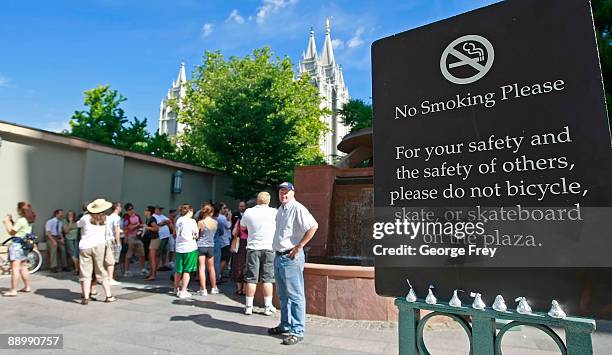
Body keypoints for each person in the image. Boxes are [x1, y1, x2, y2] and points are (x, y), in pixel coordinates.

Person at [268, 182, 318, 346]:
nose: (284, 194)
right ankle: (285, 325)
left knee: (295, 296)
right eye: (281, 191)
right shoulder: (280, 210)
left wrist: (299, 246)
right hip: (279, 256)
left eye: (287, 192)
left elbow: (313, 226)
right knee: (283, 295)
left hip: (290, 257)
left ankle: (297, 331)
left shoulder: (297, 208)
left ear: (293, 193)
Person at [241, 192, 277, 315]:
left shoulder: (249, 212)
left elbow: (242, 226)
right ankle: (267, 307)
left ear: (257, 200)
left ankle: (249, 307)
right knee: (268, 279)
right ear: (269, 201)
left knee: (251, 279)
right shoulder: (274, 212)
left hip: (253, 248)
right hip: (269, 248)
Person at [78, 198, 116, 305]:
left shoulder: (85, 218)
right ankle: (109, 296)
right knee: (100, 270)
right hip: (99, 245)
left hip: (85, 246)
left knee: (85, 272)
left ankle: (85, 297)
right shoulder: (106, 218)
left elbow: (78, 225)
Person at [2, 202, 35, 297]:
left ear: (20, 210)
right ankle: (27, 286)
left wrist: (6, 222)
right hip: (24, 246)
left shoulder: (21, 220)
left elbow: (11, 232)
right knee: (23, 267)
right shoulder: (29, 220)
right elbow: (20, 230)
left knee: (15, 269)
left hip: (16, 246)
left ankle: (13, 290)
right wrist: (12, 221)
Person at [174, 204, 198, 299]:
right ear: (190, 211)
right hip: (189, 247)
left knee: (178, 270)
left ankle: (176, 288)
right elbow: (196, 234)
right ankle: (183, 290)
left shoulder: (179, 220)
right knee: (187, 270)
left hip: (179, 247)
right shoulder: (192, 221)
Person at [195, 203, 219, 296]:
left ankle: (203, 289)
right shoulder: (215, 222)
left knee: (201, 268)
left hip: (201, 246)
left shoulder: (201, 222)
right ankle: (214, 287)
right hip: (211, 246)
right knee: (211, 268)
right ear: (211, 212)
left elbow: (197, 235)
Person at [122, 203, 146, 277]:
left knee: (142, 253)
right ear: (127, 211)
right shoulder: (126, 217)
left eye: (132, 209)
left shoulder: (137, 216)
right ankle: (126, 271)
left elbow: (142, 224)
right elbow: (129, 227)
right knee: (129, 254)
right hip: (130, 237)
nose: (131, 211)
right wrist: (137, 225)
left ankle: (143, 269)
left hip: (137, 237)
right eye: (129, 210)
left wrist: (138, 226)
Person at [230, 207, 248, 295]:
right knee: (246, 265)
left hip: (240, 243)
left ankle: (239, 289)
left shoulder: (240, 221)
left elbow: (233, 233)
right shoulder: (251, 221)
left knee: (238, 265)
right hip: (249, 243)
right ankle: (245, 289)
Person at [105, 202, 122, 285]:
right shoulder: (117, 217)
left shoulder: (109, 217)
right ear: (117, 208)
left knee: (108, 259)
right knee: (114, 260)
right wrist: (118, 242)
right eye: (120, 207)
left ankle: (108, 277)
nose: (121, 208)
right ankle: (111, 277)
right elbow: (116, 230)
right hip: (112, 240)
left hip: (107, 239)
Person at [215, 202, 232, 282]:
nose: (226, 210)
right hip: (224, 241)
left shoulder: (219, 217)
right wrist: (229, 218)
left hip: (222, 240)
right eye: (224, 208)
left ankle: (218, 275)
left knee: (222, 259)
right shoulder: (222, 218)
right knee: (224, 259)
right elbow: (228, 226)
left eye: (226, 208)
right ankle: (219, 275)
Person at [153, 206, 173, 272]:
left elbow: (169, 221)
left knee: (164, 251)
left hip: (166, 236)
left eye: (161, 209)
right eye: (159, 209)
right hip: (160, 236)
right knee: (158, 251)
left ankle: (163, 265)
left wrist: (164, 222)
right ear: (155, 210)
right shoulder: (154, 216)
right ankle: (157, 265)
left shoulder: (162, 216)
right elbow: (159, 224)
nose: (160, 211)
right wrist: (165, 222)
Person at [143, 206, 160, 281]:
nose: (145, 211)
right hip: (152, 239)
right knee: (151, 257)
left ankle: (153, 275)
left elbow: (157, 228)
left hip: (155, 239)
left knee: (152, 258)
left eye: (146, 210)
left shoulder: (151, 219)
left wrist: (147, 228)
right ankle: (151, 273)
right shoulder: (148, 219)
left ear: (149, 212)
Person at [63, 210, 80, 275]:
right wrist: (70, 222)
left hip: (76, 239)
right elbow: (66, 231)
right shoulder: (65, 222)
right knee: (73, 254)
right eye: (69, 215)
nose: (70, 216)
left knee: (77, 254)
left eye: (71, 215)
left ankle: (77, 268)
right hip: (69, 239)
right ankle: (76, 268)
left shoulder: (77, 222)